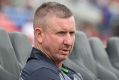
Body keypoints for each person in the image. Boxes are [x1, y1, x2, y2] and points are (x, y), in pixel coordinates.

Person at [20, 2, 83, 80]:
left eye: (72, 33)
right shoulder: (40, 74)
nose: (69, 42)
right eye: (61, 33)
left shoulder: (66, 72)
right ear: (39, 35)